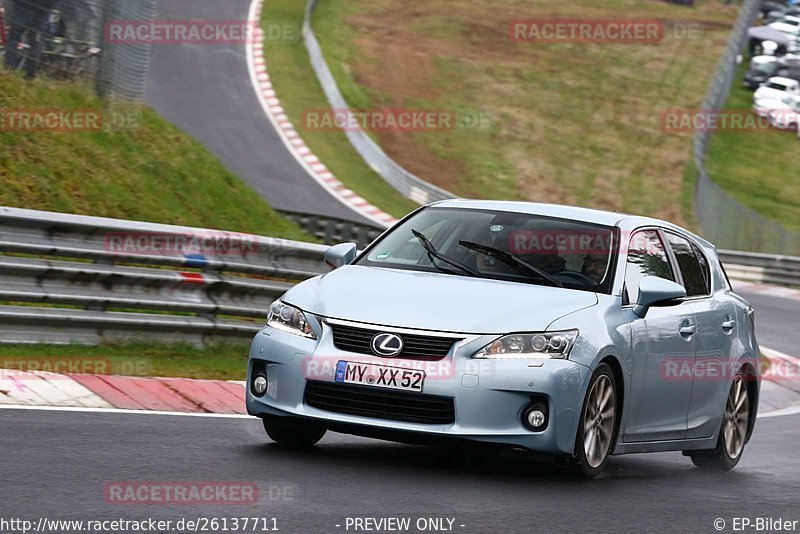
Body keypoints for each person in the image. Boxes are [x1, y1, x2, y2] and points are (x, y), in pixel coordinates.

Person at [3, 0, 59, 79]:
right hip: (44, 6)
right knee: (36, 38)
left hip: (24, 4)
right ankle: (30, 72)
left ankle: (9, 67)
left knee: (15, 34)